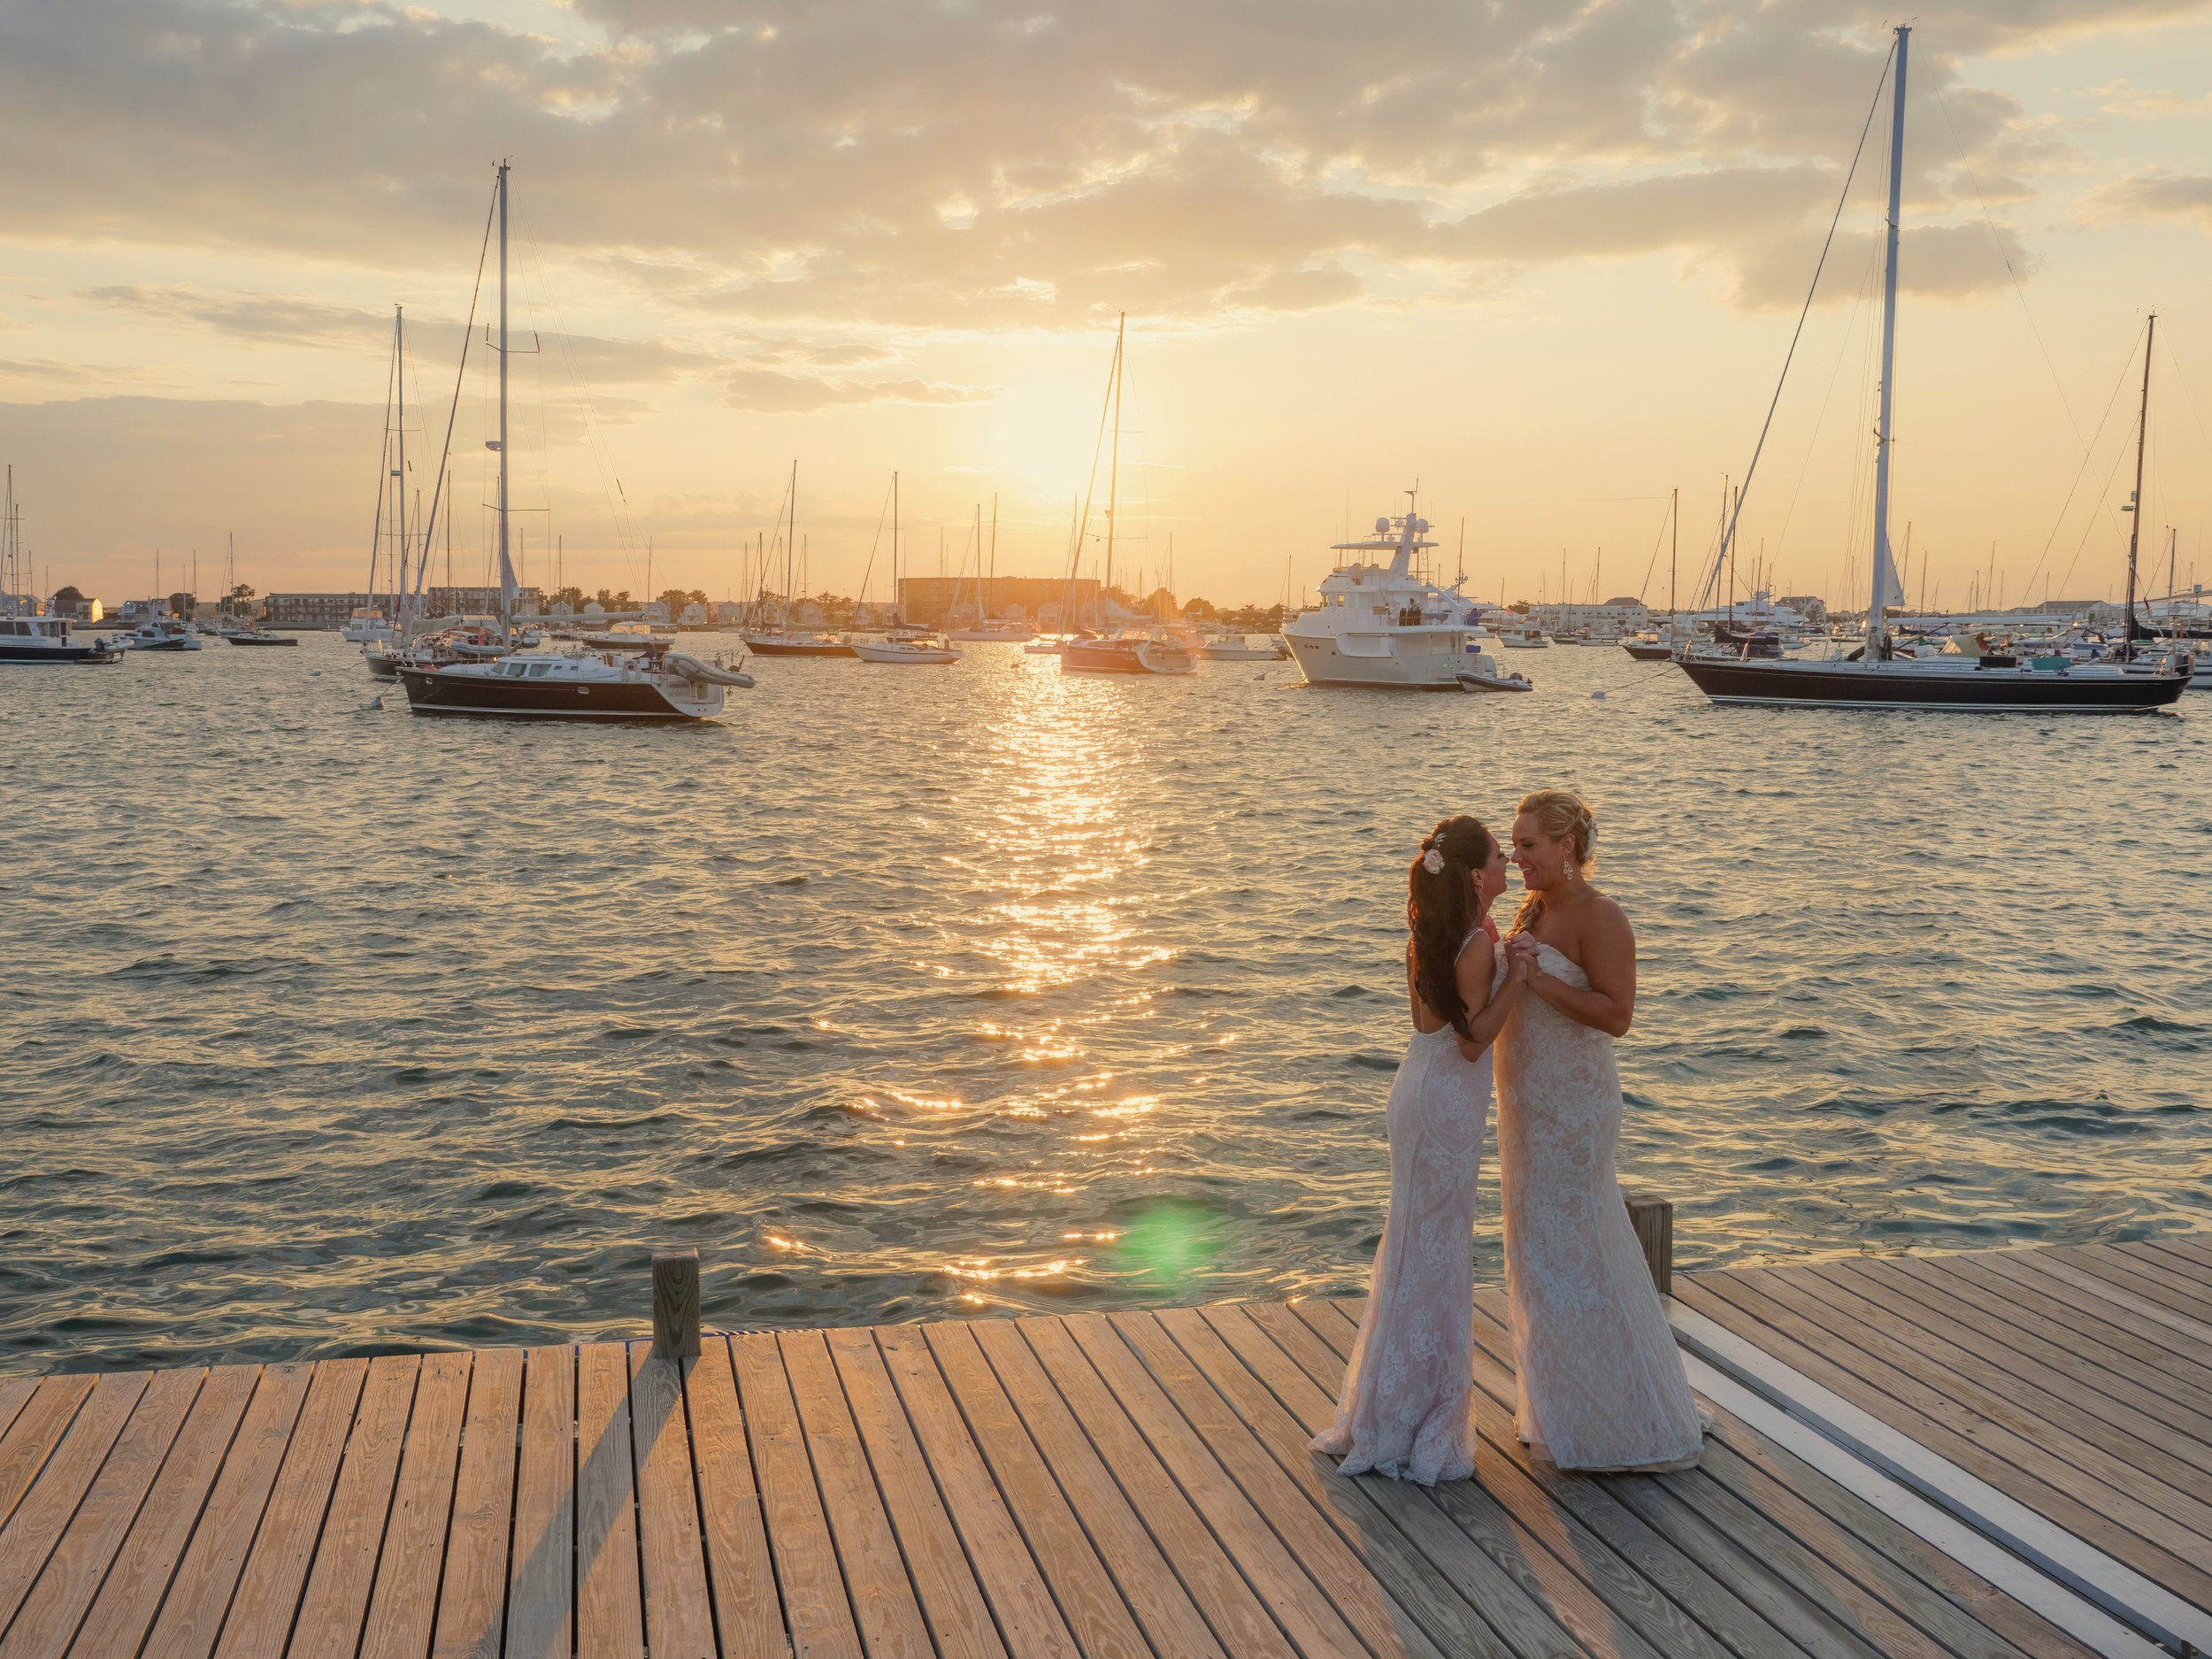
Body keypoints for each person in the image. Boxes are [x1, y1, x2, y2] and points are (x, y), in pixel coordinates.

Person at [1312, 816, 1532, 1484]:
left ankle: (1389, 1405)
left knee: (1417, 1247)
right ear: (1474, 874)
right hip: (1444, 1103)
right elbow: (1471, 1041)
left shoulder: (1438, 934)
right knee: (1433, 1253)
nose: (1506, 862)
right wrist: (1517, 978)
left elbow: (1425, 1024)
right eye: (1499, 854)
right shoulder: (1470, 944)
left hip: (1420, 1091)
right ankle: (1414, 1416)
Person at [1495, 789, 1705, 1471]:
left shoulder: (1600, 915)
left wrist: (1535, 981)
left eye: (1528, 844)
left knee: (1578, 1249)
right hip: (1529, 1107)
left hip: (1575, 1109)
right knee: (1538, 1253)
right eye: (1515, 844)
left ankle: (1624, 1415)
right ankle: (1564, 1407)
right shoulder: (1534, 909)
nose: (1518, 856)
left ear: (1566, 845)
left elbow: (1617, 1015)